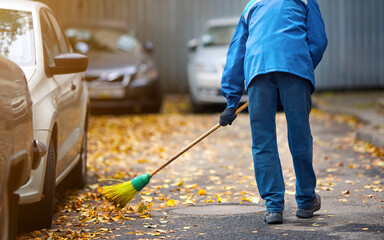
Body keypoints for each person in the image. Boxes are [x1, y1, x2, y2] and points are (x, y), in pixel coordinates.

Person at [219, 0, 327, 224]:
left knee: (262, 140)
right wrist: (301, 66)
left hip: (258, 69)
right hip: (294, 65)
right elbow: (318, 40)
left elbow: (237, 50)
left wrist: (232, 101)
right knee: (300, 136)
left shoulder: (253, 5)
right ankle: (307, 201)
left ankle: (274, 207)